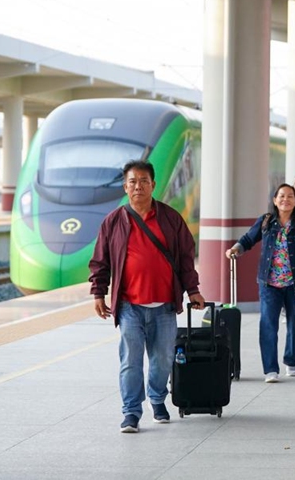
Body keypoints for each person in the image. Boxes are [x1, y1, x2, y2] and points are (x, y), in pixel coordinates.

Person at [89, 160, 206, 434]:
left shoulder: (170, 218)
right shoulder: (114, 221)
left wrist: (193, 290)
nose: (138, 186)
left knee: (163, 358)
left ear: (153, 185)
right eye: (132, 181)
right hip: (129, 305)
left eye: (143, 181)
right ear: (125, 186)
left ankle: (157, 400)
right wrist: (98, 292)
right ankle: (131, 412)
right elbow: (100, 261)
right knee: (130, 361)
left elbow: (186, 258)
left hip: (164, 305)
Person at [225, 184, 295, 383]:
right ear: (275, 200)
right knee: (268, 325)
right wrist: (236, 248)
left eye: (290, 196)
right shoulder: (266, 221)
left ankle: (291, 361)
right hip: (269, 284)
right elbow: (249, 239)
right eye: (281, 196)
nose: (286, 199)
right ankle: (270, 369)